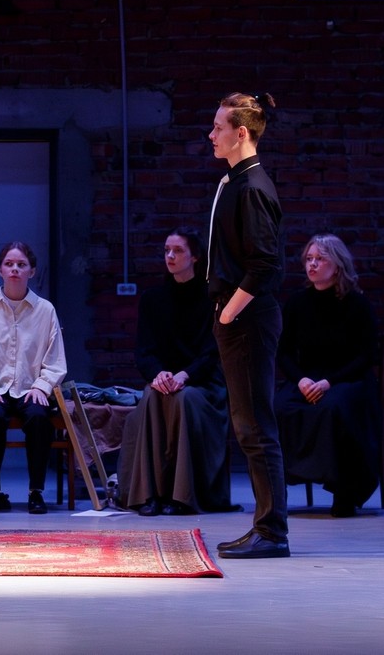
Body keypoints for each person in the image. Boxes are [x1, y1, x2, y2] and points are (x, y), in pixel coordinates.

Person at [206, 92, 289, 559]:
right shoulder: (236, 182)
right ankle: (264, 524)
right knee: (248, 426)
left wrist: (228, 312)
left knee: (256, 426)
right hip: (237, 317)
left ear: (241, 133)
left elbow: (264, 265)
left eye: (218, 128)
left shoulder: (253, 187)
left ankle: (272, 532)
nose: (211, 135)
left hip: (248, 319)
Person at [119, 229, 231, 517]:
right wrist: (158, 375)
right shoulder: (153, 299)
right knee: (152, 397)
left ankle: (182, 495)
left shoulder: (212, 298)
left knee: (183, 399)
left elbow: (212, 352)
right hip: (165, 381)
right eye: (167, 250)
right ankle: (151, 494)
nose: (170, 256)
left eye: (178, 251)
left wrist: (184, 375)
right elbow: (144, 350)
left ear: (194, 257)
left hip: (202, 383)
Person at [275, 234, 381, 518]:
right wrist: (301, 379)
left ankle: (345, 492)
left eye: (320, 259)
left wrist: (328, 382)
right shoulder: (297, 303)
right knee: (280, 407)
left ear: (337, 266)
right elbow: (284, 352)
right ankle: (277, 493)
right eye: (309, 259)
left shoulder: (357, 304)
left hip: (347, 379)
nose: (312, 264)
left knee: (334, 408)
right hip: (308, 379)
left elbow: (366, 356)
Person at [0, 241, 66, 514]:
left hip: (32, 387)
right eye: (9, 264)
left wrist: (42, 386)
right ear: (0, 270)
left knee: (39, 418)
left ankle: (36, 492)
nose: (15, 269)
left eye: (21, 264)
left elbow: (55, 360)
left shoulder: (45, 310)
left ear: (32, 271)